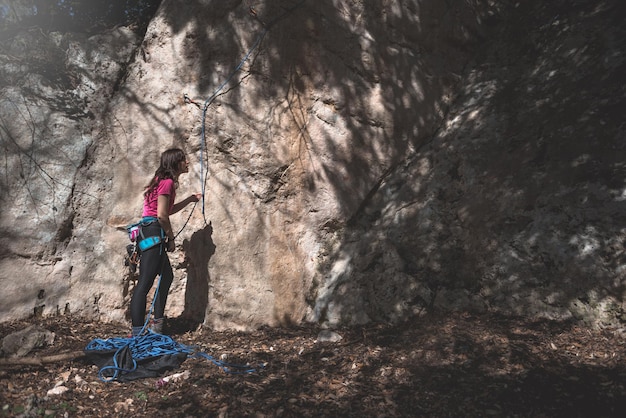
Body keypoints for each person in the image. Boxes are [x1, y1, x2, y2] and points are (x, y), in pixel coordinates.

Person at [130, 148, 200, 336]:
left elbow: (165, 210)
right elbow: (161, 215)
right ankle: (138, 331)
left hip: (149, 230)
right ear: (176, 163)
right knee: (145, 282)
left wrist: (190, 200)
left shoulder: (161, 182)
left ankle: (156, 325)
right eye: (183, 159)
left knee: (166, 276)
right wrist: (170, 238)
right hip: (154, 230)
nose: (187, 162)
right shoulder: (167, 182)